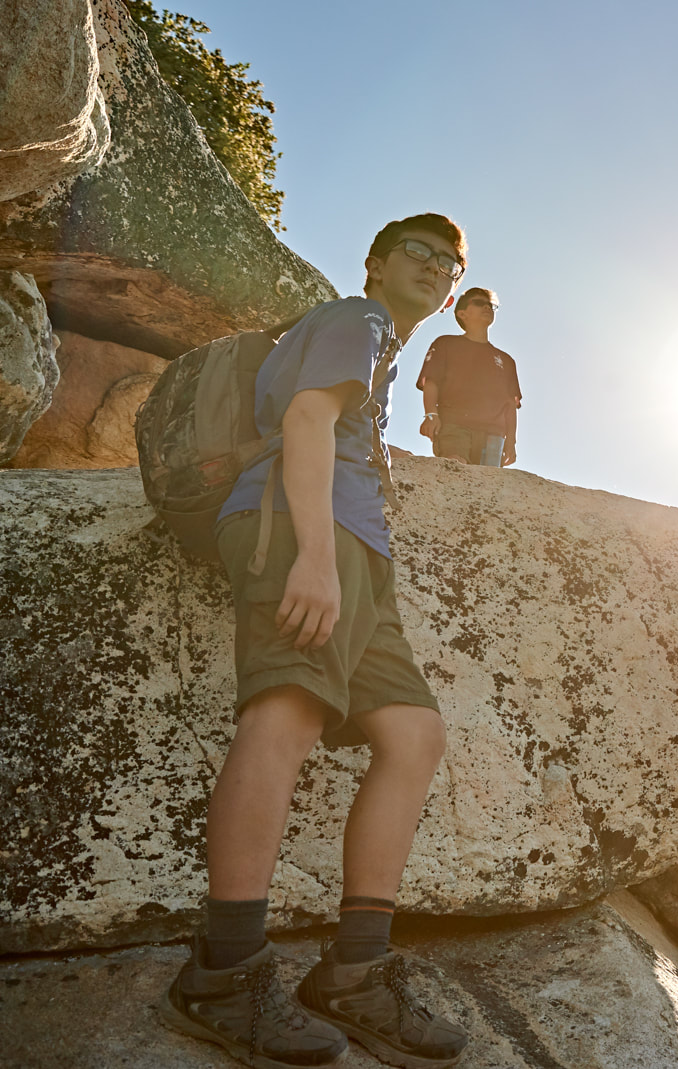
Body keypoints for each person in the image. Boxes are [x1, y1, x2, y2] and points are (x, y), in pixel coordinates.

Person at [160, 214, 472, 1069]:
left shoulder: (382, 344)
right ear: (374, 264)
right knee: (287, 715)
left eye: (448, 263)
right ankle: (224, 972)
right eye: (419, 251)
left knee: (413, 733)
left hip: (357, 550)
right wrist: (315, 560)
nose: (436, 268)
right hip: (304, 531)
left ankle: (354, 972)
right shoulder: (353, 319)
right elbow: (304, 421)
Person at [416, 287, 519, 467]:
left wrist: (511, 442)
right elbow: (431, 381)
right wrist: (431, 414)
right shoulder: (445, 343)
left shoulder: (506, 360)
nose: (487, 307)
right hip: (454, 425)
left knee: (488, 486)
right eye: (479, 303)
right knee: (455, 467)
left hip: (493, 434)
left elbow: (510, 405)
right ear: (462, 314)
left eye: (491, 305)